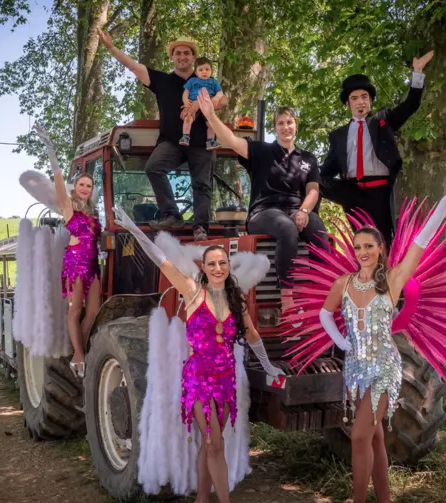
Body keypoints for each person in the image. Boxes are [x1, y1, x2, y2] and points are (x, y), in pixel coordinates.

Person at [112, 206, 283, 503]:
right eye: (212, 263)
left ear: (228, 266)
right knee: (215, 443)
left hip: (224, 383)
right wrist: (133, 228)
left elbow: (254, 335)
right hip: (198, 382)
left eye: (222, 263)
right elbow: (160, 259)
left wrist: (269, 367)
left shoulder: (235, 300)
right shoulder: (193, 292)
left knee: (209, 444)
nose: (218, 267)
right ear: (203, 268)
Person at [318, 178, 446, 503]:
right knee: (372, 439)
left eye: (369, 246)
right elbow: (324, 314)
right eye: (358, 247)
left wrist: (444, 202)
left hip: (384, 369)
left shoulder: (393, 279)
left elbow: (420, 242)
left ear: (381, 248)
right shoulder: (342, 284)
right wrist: (341, 342)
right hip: (355, 370)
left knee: (358, 436)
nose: (363, 252)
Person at [196, 88, 329, 317]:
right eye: (280, 123)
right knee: (287, 228)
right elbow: (230, 139)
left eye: (289, 122)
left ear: (295, 126)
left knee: (319, 230)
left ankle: (321, 293)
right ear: (275, 127)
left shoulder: (308, 159)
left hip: (297, 210)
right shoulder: (260, 151)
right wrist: (211, 116)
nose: (286, 127)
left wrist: (305, 210)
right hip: (264, 212)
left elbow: (313, 190)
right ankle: (286, 296)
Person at [98, 30, 229, 241]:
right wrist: (111, 48)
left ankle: (200, 228)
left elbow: (224, 101)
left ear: (193, 57)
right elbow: (132, 66)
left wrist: (198, 105)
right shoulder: (161, 80)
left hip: (202, 142)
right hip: (172, 142)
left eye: (187, 53)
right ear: (173, 57)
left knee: (202, 184)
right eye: (178, 53)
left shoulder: (206, 80)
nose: (182, 56)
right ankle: (172, 214)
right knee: (153, 167)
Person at [318, 50, 434, 248]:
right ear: (348, 104)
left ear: (370, 101)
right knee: (313, 179)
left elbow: (410, 105)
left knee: (382, 246)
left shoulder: (382, 121)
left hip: (378, 192)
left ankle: (385, 277)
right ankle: (311, 230)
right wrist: (305, 173)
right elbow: (327, 170)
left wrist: (417, 73)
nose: (360, 102)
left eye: (365, 97)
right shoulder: (338, 136)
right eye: (355, 98)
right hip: (351, 191)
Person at [35, 123, 101, 378]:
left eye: (89, 186)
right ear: (76, 188)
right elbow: (59, 180)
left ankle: (80, 348)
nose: (85, 188)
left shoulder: (93, 212)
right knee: (75, 309)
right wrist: (50, 149)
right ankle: (79, 354)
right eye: (82, 185)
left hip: (93, 264)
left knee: (93, 311)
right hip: (75, 263)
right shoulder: (68, 207)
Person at [181, 57, 223, 150]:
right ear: (196, 72)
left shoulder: (213, 82)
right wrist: (185, 101)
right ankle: (185, 136)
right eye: (201, 70)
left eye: (207, 69)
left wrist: (216, 97)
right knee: (188, 118)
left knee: (212, 124)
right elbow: (186, 92)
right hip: (193, 105)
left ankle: (210, 141)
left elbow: (220, 92)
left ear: (212, 71)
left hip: (207, 106)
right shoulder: (192, 81)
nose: (204, 72)